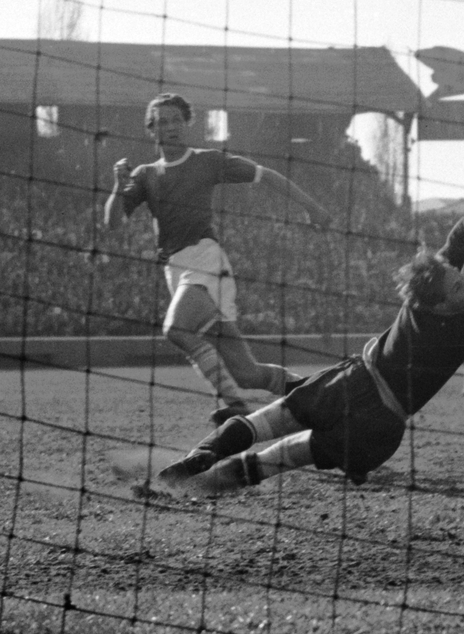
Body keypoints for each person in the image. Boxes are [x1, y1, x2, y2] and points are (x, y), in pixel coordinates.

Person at [135, 197, 464, 498]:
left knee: (269, 425)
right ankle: (204, 483)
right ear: (442, 302)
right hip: (379, 426)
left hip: (351, 384)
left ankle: (194, 464)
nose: (463, 280)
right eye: (457, 284)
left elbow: (457, 245)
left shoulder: (420, 304)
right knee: (283, 456)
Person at [104, 93, 332, 417]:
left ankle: (235, 407)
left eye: (177, 120)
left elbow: (265, 174)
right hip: (175, 272)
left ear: (187, 124)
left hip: (206, 261)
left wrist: (312, 207)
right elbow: (112, 223)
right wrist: (117, 186)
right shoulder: (144, 175)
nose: (171, 127)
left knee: (177, 330)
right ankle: (319, 395)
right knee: (247, 373)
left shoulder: (206, 160)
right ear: (151, 130)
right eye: (163, 122)